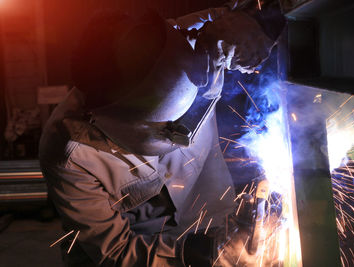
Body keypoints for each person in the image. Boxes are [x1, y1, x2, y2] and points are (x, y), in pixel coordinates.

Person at [39, 1, 280, 266]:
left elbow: (258, 6)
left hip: (213, 221)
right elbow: (115, 251)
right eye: (169, 125)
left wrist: (251, 23)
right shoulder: (69, 152)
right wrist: (204, 252)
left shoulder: (185, 38)